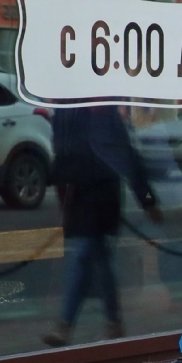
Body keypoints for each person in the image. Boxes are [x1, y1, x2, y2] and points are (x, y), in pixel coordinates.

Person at [43, 106, 161, 347]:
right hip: (79, 194)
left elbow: (123, 153)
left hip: (100, 194)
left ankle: (65, 324)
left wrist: (146, 198)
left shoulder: (97, 111)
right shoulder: (68, 110)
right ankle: (113, 321)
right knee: (99, 259)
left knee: (86, 255)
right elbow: (62, 151)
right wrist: (62, 193)